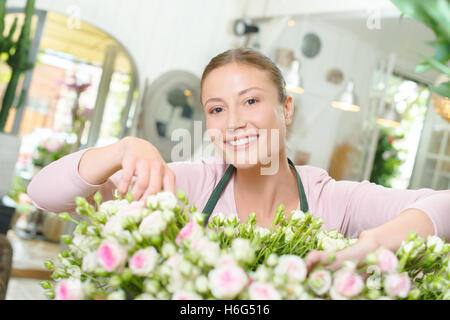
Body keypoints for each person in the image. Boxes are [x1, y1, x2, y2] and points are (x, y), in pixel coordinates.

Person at [27, 48, 450, 272]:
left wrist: (371, 243)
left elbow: (442, 205)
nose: (233, 123)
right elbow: (44, 194)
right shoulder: (188, 185)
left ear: (286, 109)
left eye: (250, 101)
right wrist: (122, 149)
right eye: (216, 109)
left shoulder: (333, 201)